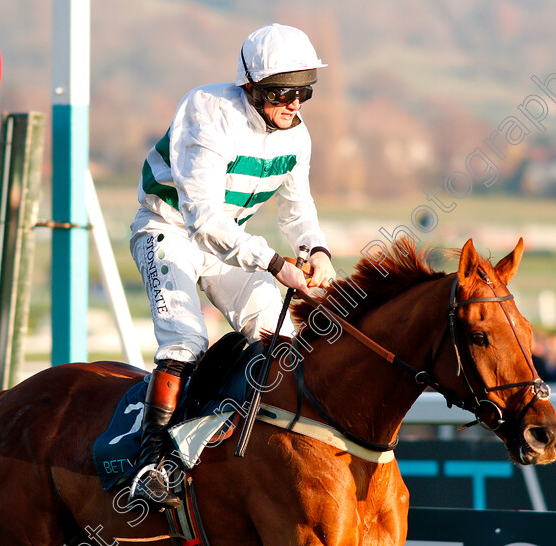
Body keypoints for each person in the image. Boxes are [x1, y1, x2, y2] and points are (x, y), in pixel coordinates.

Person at [127, 23, 335, 508]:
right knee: (186, 340)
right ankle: (152, 461)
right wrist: (277, 263)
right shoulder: (207, 110)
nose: (295, 104)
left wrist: (316, 250)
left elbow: (296, 208)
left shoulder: (297, 137)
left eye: (304, 92)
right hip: (169, 230)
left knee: (277, 339)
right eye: (283, 92)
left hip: (230, 244)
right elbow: (203, 220)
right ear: (251, 87)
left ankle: (235, 444)